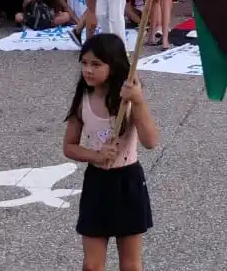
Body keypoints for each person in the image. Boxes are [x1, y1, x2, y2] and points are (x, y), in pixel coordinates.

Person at [63, 35, 158, 271]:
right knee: (92, 265)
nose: (88, 70)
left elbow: (151, 141)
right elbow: (69, 146)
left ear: (113, 65)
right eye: (84, 63)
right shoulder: (82, 100)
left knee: (131, 265)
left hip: (128, 182)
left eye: (96, 64)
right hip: (97, 183)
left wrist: (138, 101)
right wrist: (95, 155)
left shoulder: (127, 102)